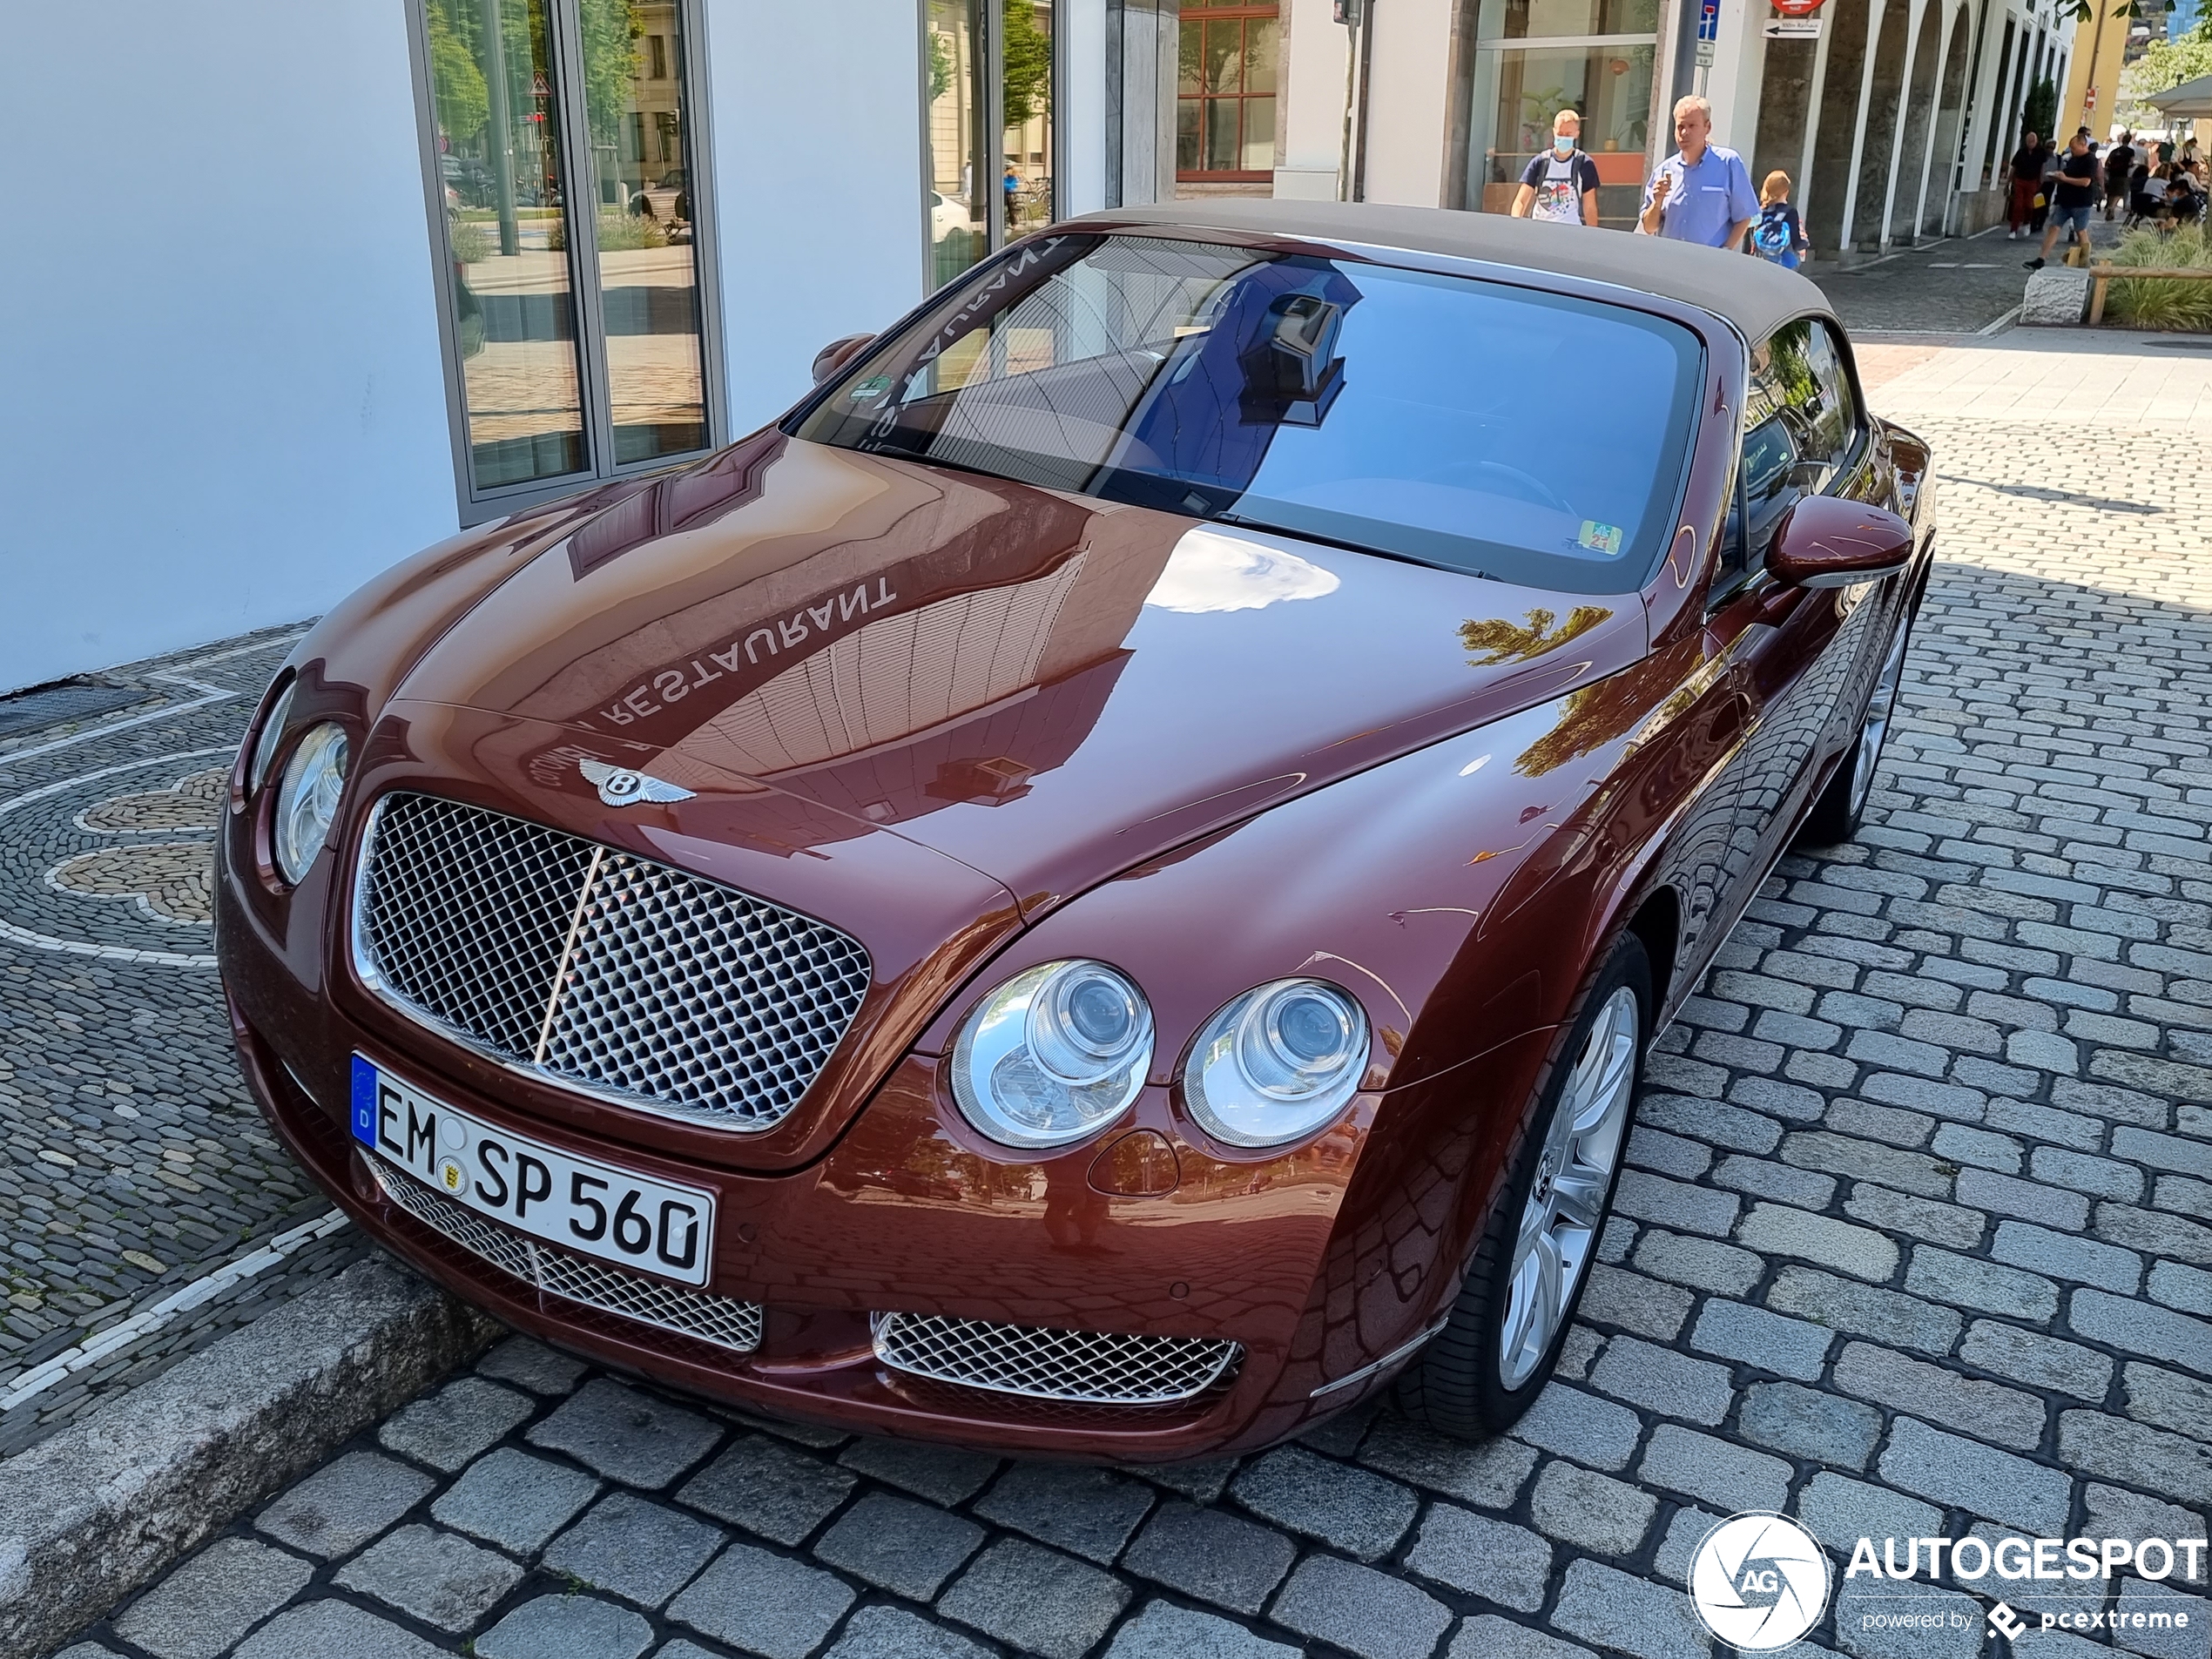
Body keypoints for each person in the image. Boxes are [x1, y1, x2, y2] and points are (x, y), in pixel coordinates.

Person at [1637, 94, 1759, 249]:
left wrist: (1726, 252)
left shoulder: (1728, 163)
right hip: (1669, 263)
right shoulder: (1664, 171)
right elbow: (1648, 228)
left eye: (1692, 126)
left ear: (1707, 127)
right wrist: (1657, 202)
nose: (1684, 132)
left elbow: (1744, 216)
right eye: (1680, 127)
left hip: (1709, 264)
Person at [1513, 108, 1603, 225]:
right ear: (1554, 132)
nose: (1564, 137)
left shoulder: (1585, 164)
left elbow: (1590, 207)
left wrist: (1593, 236)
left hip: (1571, 231)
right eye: (1560, 134)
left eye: (1568, 134)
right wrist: (1515, 225)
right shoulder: (1540, 162)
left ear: (1577, 134)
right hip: (1540, 230)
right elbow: (1521, 201)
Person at [2027, 131, 2099, 270]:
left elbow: (2085, 182)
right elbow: (2067, 176)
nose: (2071, 150)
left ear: (2083, 145)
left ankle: (2085, 260)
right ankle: (2041, 258)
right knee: (2054, 227)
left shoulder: (2090, 160)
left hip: (2081, 202)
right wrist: (2058, 178)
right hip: (2065, 200)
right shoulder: (2072, 159)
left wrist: (2065, 179)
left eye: (2074, 147)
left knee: (2080, 230)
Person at [1749, 170, 1811, 267]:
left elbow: (1755, 241)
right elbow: (1796, 243)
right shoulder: (1791, 212)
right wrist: (1805, 242)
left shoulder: (1760, 213)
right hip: (1784, 266)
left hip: (1761, 264)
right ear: (1786, 191)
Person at [2007, 130, 2048, 239]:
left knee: (2029, 205)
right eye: (2029, 141)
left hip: (2032, 181)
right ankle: (2013, 230)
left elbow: (2042, 167)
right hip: (2020, 180)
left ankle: (2027, 223)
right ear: (2026, 141)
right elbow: (2014, 168)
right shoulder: (2021, 152)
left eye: (2033, 141)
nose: (2031, 143)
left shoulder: (2040, 152)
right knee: (2018, 206)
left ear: (2036, 141)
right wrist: (2009, 182)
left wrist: (2041, 179)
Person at [2104, 130, 2135, 220]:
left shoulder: (2115, 151)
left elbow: (2107, 162)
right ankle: (2112, 207)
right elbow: (2131, 162)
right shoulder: (2130, 151)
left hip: (2112, 173)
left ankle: (2110, 207)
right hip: (2123, 173)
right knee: (2119, 193)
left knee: (2112, 192)